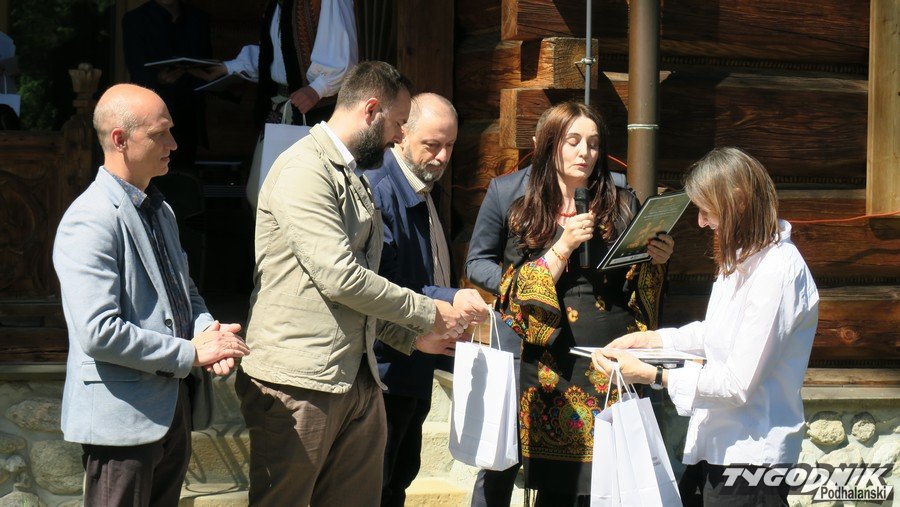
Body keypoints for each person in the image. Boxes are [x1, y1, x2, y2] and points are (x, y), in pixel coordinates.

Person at [237, 61, 469, 506]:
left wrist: (408, 336)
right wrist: (427, 312)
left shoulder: (353, 175)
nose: (398, 136)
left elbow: (361, 287)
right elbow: (341, 277)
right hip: (300, 381)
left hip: (357, 378)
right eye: (398, 123)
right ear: (371, 110)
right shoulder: (304, 168)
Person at [52, 83, 250, 506]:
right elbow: (99, 333)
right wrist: (191, 353)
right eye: (160, 134)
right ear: (120, 140)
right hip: (121, 421)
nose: (173, 144)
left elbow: (184, 291)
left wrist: (208, 332)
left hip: (170, 410)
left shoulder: (160, 209)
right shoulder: (89, 219)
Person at [592, 147, 819, 506]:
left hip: (750, 459)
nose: (700, 222)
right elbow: (713, 332)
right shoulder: (743, 258)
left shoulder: (776, 272)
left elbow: (736, 384)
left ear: (738, 200)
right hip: (717, 448)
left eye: (706, 209)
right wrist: (650, 340)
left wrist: (655, 375)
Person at [491, 101, 674, 505]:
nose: (584, 152)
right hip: (554, 371)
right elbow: (513, 296)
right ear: (551, 145)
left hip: (614, 366)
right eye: (572, 141)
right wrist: (563, 245)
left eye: (592, 143)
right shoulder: (526, 211)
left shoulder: (623, 204)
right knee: (559, 493)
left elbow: (638, 291)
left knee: (620, 487)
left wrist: (655, 261)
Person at [367, 93, 489, 506]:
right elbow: (383, 286)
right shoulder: (380, 190)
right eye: (432, 145)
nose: (442, 157)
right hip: (386, 364)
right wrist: (451, 297)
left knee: (399, 478)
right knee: (378, 484)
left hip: (416, 359)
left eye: (450, 145)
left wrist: (453, 298)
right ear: (402, 134)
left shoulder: (423, 186)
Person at [208, 0, 358, 208]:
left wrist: (317, 89)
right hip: (281, 107)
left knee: (306, 199)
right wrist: (228, 68)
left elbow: (342, 54)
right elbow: (275, 57)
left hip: (316, 114)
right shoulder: (279, 4)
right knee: (261, 193)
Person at [123, 0, 214, 170]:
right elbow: (136, 68)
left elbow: (206, 63)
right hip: (151, 113)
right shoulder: (136, 19)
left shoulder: (198, 19)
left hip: (189, 112)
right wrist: (160, 78)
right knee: (151, 171)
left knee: (184, 171)